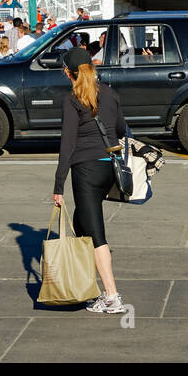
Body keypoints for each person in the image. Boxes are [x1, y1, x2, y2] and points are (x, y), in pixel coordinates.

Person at [51, 46, 127, 314]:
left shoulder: (71, 99)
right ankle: (90, 282)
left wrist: (59, 185)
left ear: (68, 73)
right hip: (108, 169)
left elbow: (67, 145)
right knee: (82, 224)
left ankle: (111, 296)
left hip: (85, 171)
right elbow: (120, 129)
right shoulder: (110, 93)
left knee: (95, 234)